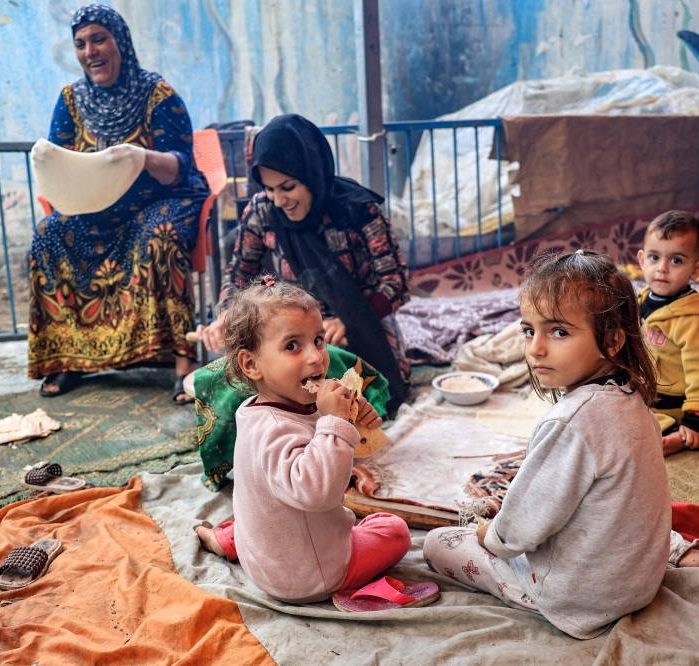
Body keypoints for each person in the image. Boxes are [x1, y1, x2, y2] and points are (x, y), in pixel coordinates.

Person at [422, 250, 699, 639]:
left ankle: (542, 583)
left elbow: (515, 537)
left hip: (581, 600)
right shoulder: (634, 400)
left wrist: (485, 534)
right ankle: (679, 554)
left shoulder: (569, 422)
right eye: (530, 330)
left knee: (438, 543)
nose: (535, 349)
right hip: (639, 581)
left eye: (558, 332)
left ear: (612, 340)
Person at [194, 278, 420, 605]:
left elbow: (317, 440)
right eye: (292, 346)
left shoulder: (256, 408)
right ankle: (249, 545)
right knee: (393, 529)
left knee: (265, 501)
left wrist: (352, 417)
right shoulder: (273, 430)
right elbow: (319, 492)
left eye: (318, 340)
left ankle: (232, 540)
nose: (315, 357)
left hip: (264, 553)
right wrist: (334, 421)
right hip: (307, 576)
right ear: (251, 364)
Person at [27, 4, 208, 402]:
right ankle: (69, 360)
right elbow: (61, 161)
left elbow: (180, 167)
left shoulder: (156, 93)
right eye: (80, 43)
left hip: (161, 201)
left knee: (158, 236)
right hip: (96, 208)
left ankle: (183, 361)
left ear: (119, 42)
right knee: (48, 234)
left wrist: (141, 157)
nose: (89, 50)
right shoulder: (71, 100)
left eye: (98, 39)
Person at [197, 114, 410, 412]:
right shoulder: (263, 211)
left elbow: (396, 284)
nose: (279, 200)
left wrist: (346, 320)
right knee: (244, 376)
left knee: (359, 391)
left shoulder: (358, 212)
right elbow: (239, 273)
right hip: (292, 330)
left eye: (288, 187)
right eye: (270, 189)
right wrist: (226, 315)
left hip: (359, 324)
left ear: (313, 174)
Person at [636, 211, 699, 455]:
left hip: (675, 402)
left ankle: (678, 433)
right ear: (641, 260)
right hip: (645, 388)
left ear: (697, 269)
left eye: (676, 261)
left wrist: (696, 417)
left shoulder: (694, 319)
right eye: (654, 257)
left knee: (638, 429)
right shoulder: (641, 300)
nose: (662, 269)